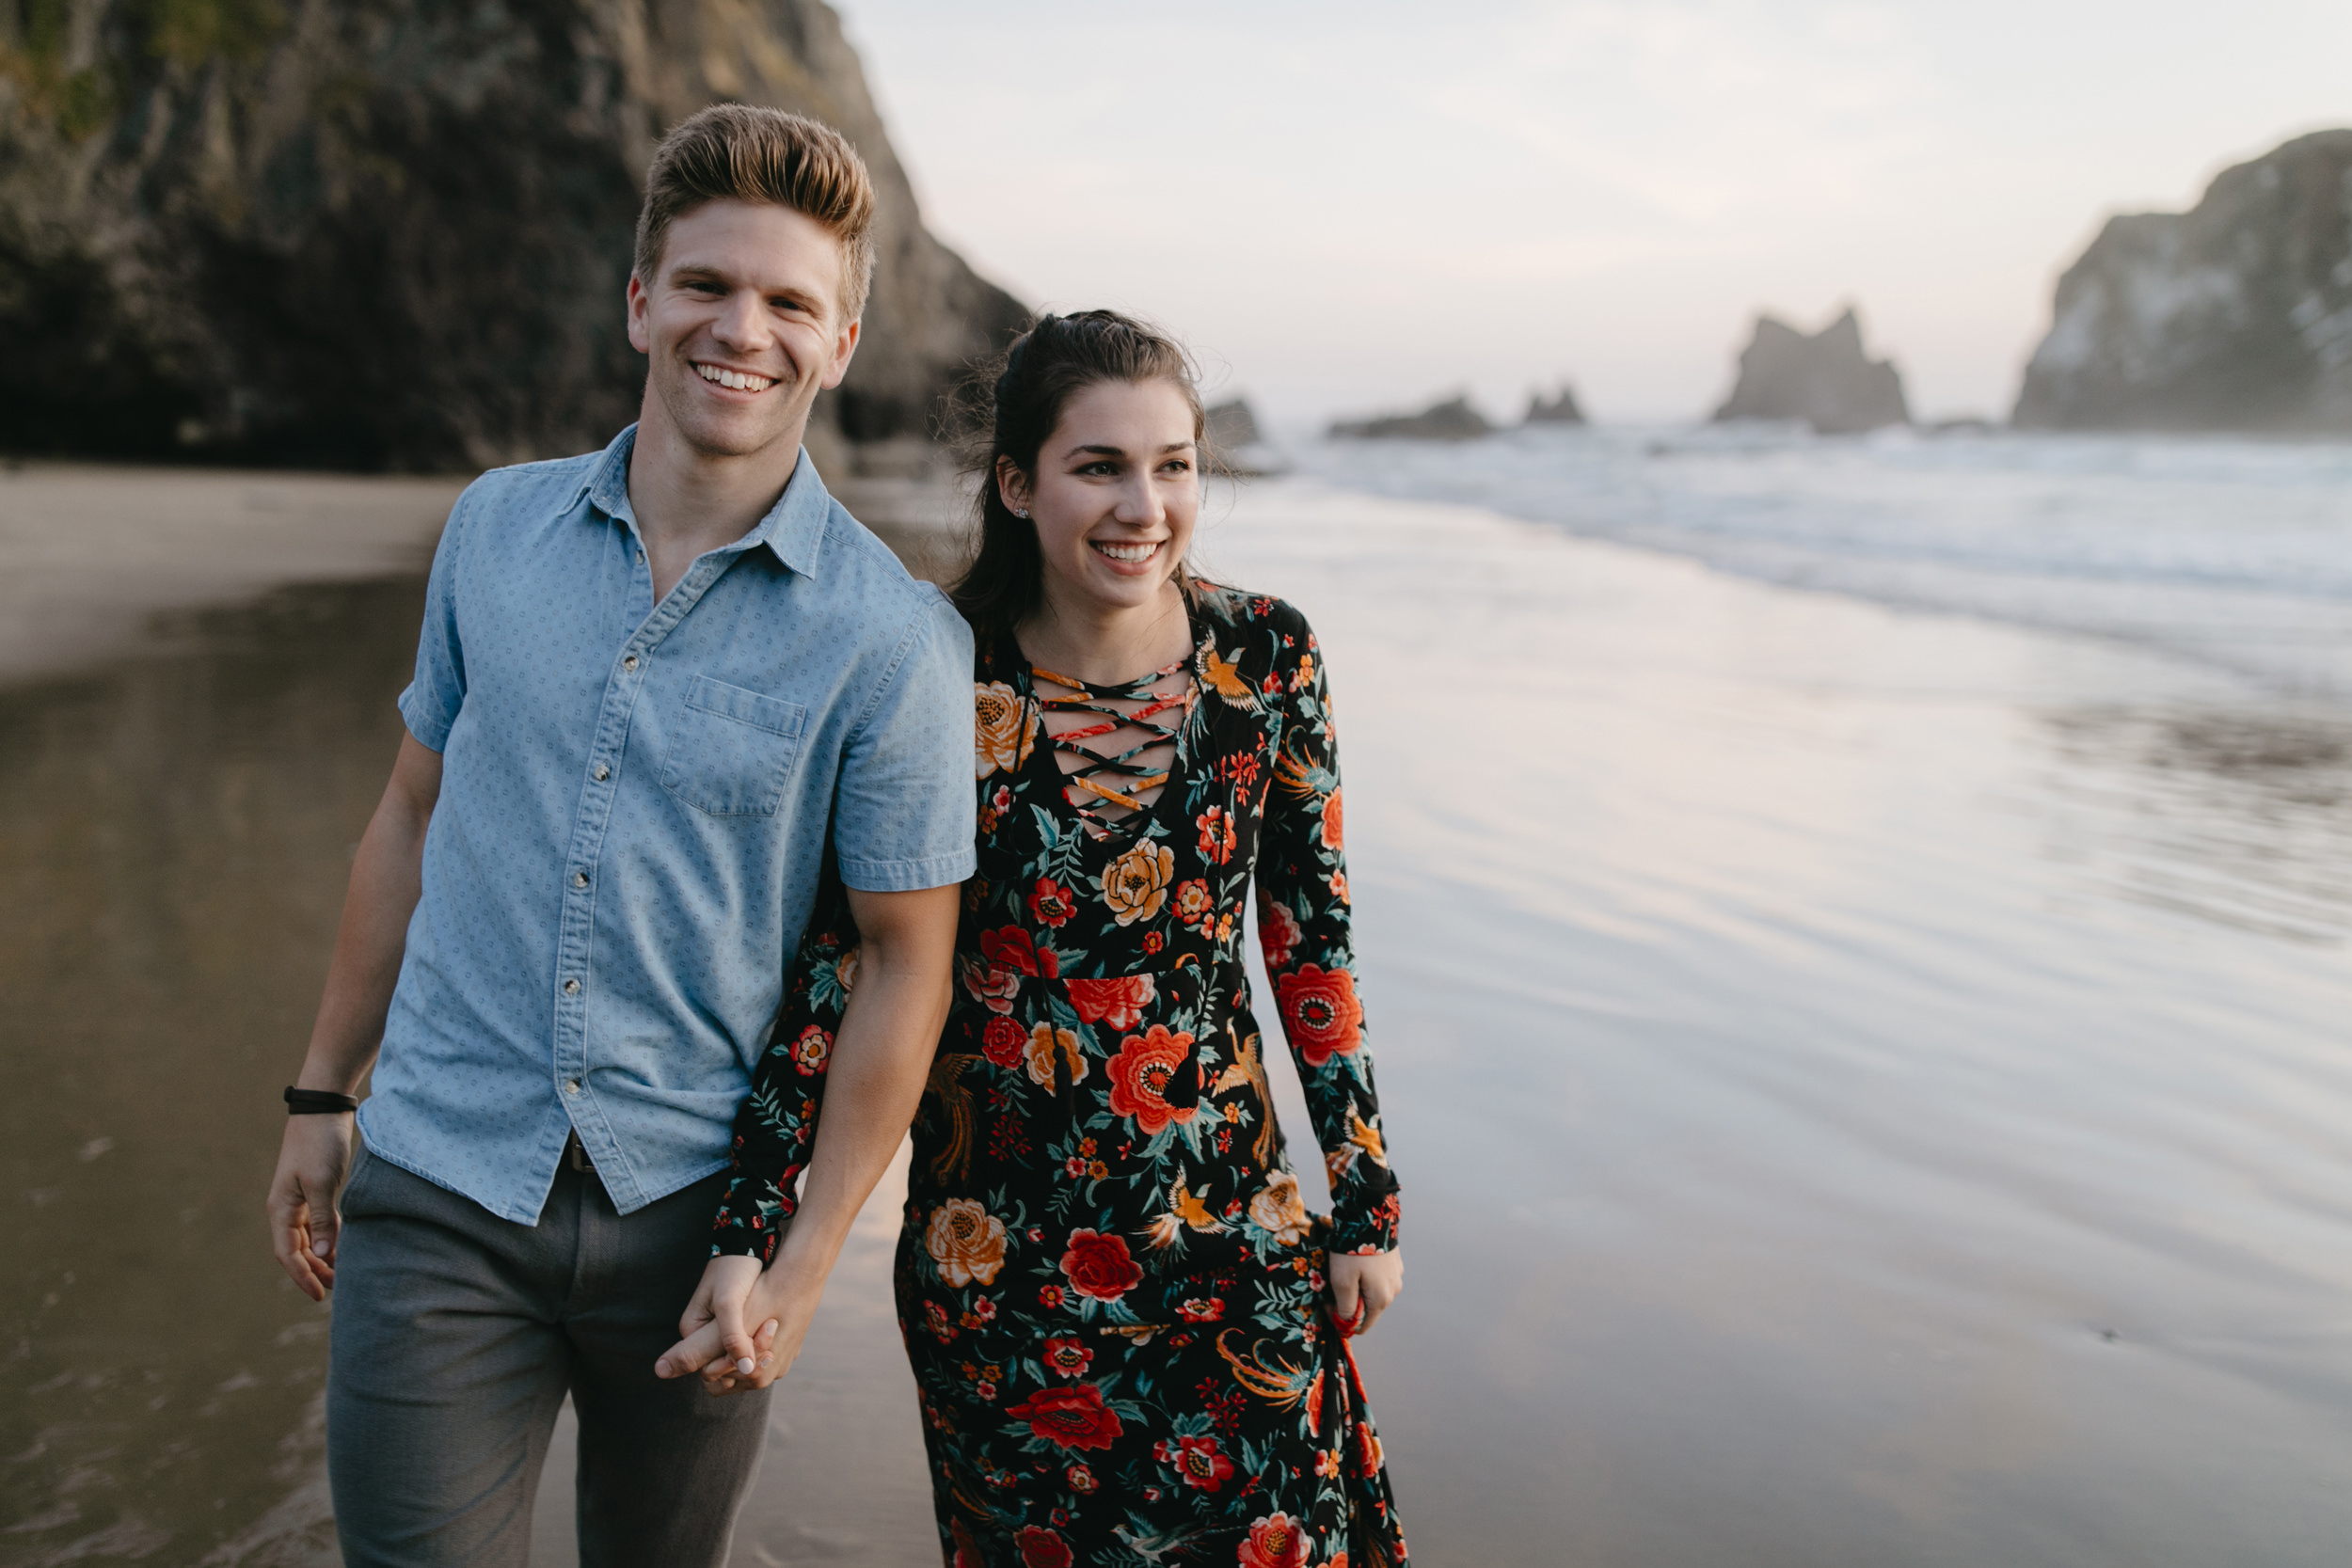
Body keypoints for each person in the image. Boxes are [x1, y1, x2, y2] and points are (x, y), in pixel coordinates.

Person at [262, 104, 975, 1567]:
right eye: (708, 285)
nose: (743, 329)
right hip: (442, 1180)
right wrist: (321, 1092)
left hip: (699, 1223)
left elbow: (911, 964)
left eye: (791, 303)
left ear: (840, 345)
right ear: (641, 300)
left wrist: (803, 1257)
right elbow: (409, 811)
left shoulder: (891, 640)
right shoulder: (490, 533)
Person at [670, 311, 1411, 1566]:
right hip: (1000, 1270)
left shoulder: (1267, 660)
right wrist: (753, 1227)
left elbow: (1311, 943)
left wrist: (1367, 1194)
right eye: (1099, 466)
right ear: (1016, 484)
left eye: (1173, 464)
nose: (1145, 504)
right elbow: (840, 971)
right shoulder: (931, 679)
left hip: (1231, 1240)